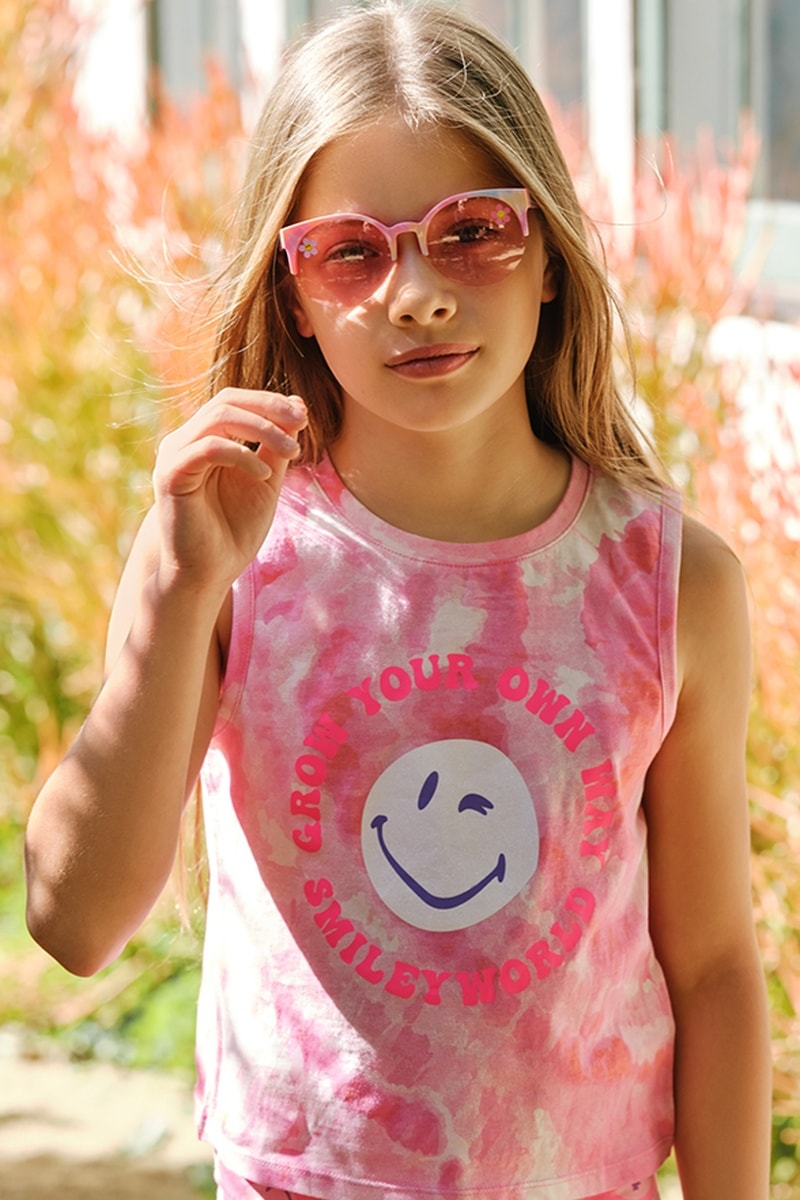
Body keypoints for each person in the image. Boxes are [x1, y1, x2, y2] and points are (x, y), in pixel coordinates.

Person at [24, 2, 771, 1198]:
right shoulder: (222, 550)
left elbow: (714, 969)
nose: (414, 292)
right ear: (294, 295)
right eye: (350, 251)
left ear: (548, 258)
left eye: (469, 231)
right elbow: (73, 923)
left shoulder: (667, 580)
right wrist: (177, 592)